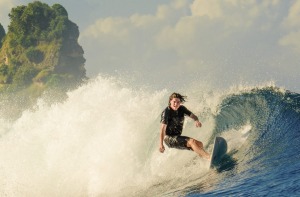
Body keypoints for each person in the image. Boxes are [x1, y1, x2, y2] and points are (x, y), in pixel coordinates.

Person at [159, 92, 210, 160]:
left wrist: (196, 121)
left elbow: (194, 116)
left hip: (177, 136)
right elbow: (162, 129)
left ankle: (204, 159)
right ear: (170, 101)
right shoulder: (167, 112)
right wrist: (161, 145)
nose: (176, 104)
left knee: (199, 144)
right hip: (168, 138)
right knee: (192, 142)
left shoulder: (182, 109)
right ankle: (208, 157)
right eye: (174, 102)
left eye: (178, 102)